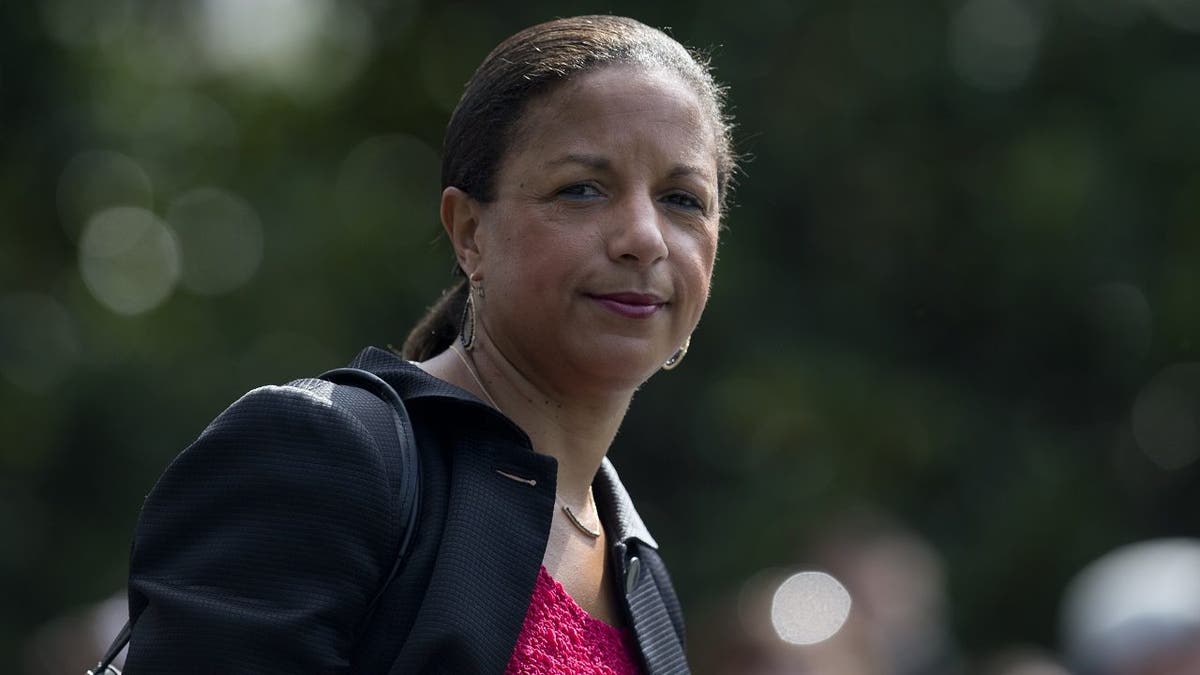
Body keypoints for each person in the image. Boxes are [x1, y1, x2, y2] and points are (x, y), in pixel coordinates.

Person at [120, 14, 736, 674]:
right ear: (470, 231)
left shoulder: (639, 567)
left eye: (682, 199)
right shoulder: (327, 456)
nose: (643, 237)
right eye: (582, 189)